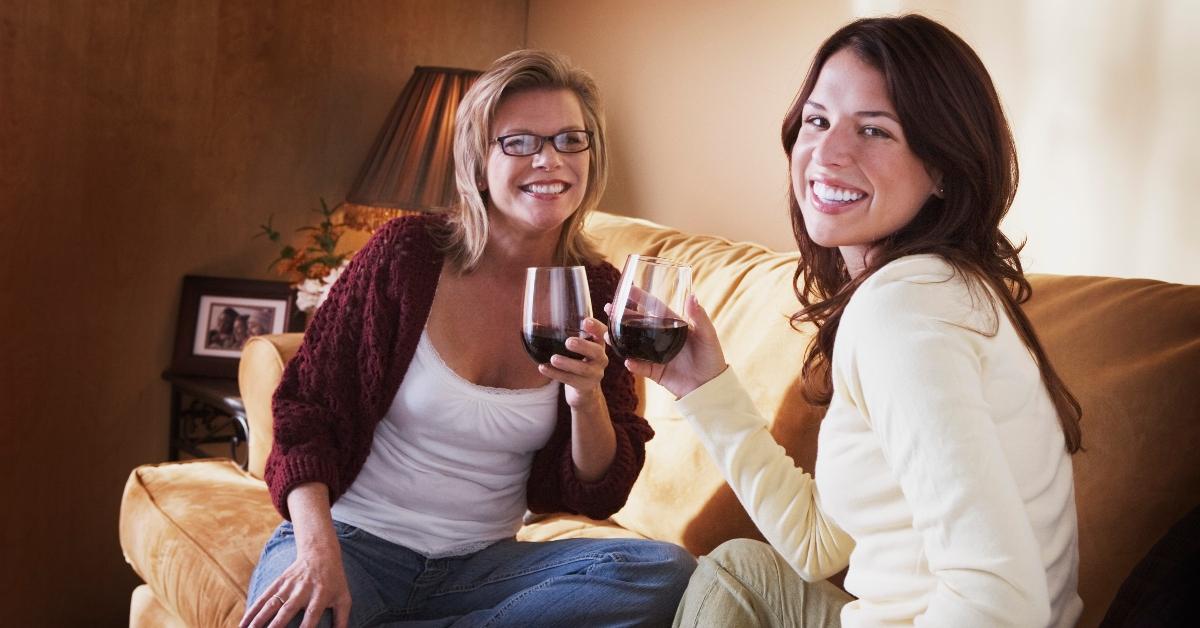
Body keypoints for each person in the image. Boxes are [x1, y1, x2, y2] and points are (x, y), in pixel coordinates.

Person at [621, 15, 1084, 628]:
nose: (827, 153)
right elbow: (818, 545)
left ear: (942, 166)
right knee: (737, 569)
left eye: (873, 129)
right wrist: (702, 386)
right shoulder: (937, 288)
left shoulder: (905, 314)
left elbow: (1001, 598)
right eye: (817, 120)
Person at [241, 50, 696, 628]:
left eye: (568, 140)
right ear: (477, 160)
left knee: (662, 572)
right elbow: (303, 410)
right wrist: (316, 550)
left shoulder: (601, 290)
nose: (549, 159)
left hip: (484, 567)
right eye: (519, 142)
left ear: (592, 154)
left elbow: (596, 494)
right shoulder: (407, 255)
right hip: (355, 542)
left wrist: (586, 399)